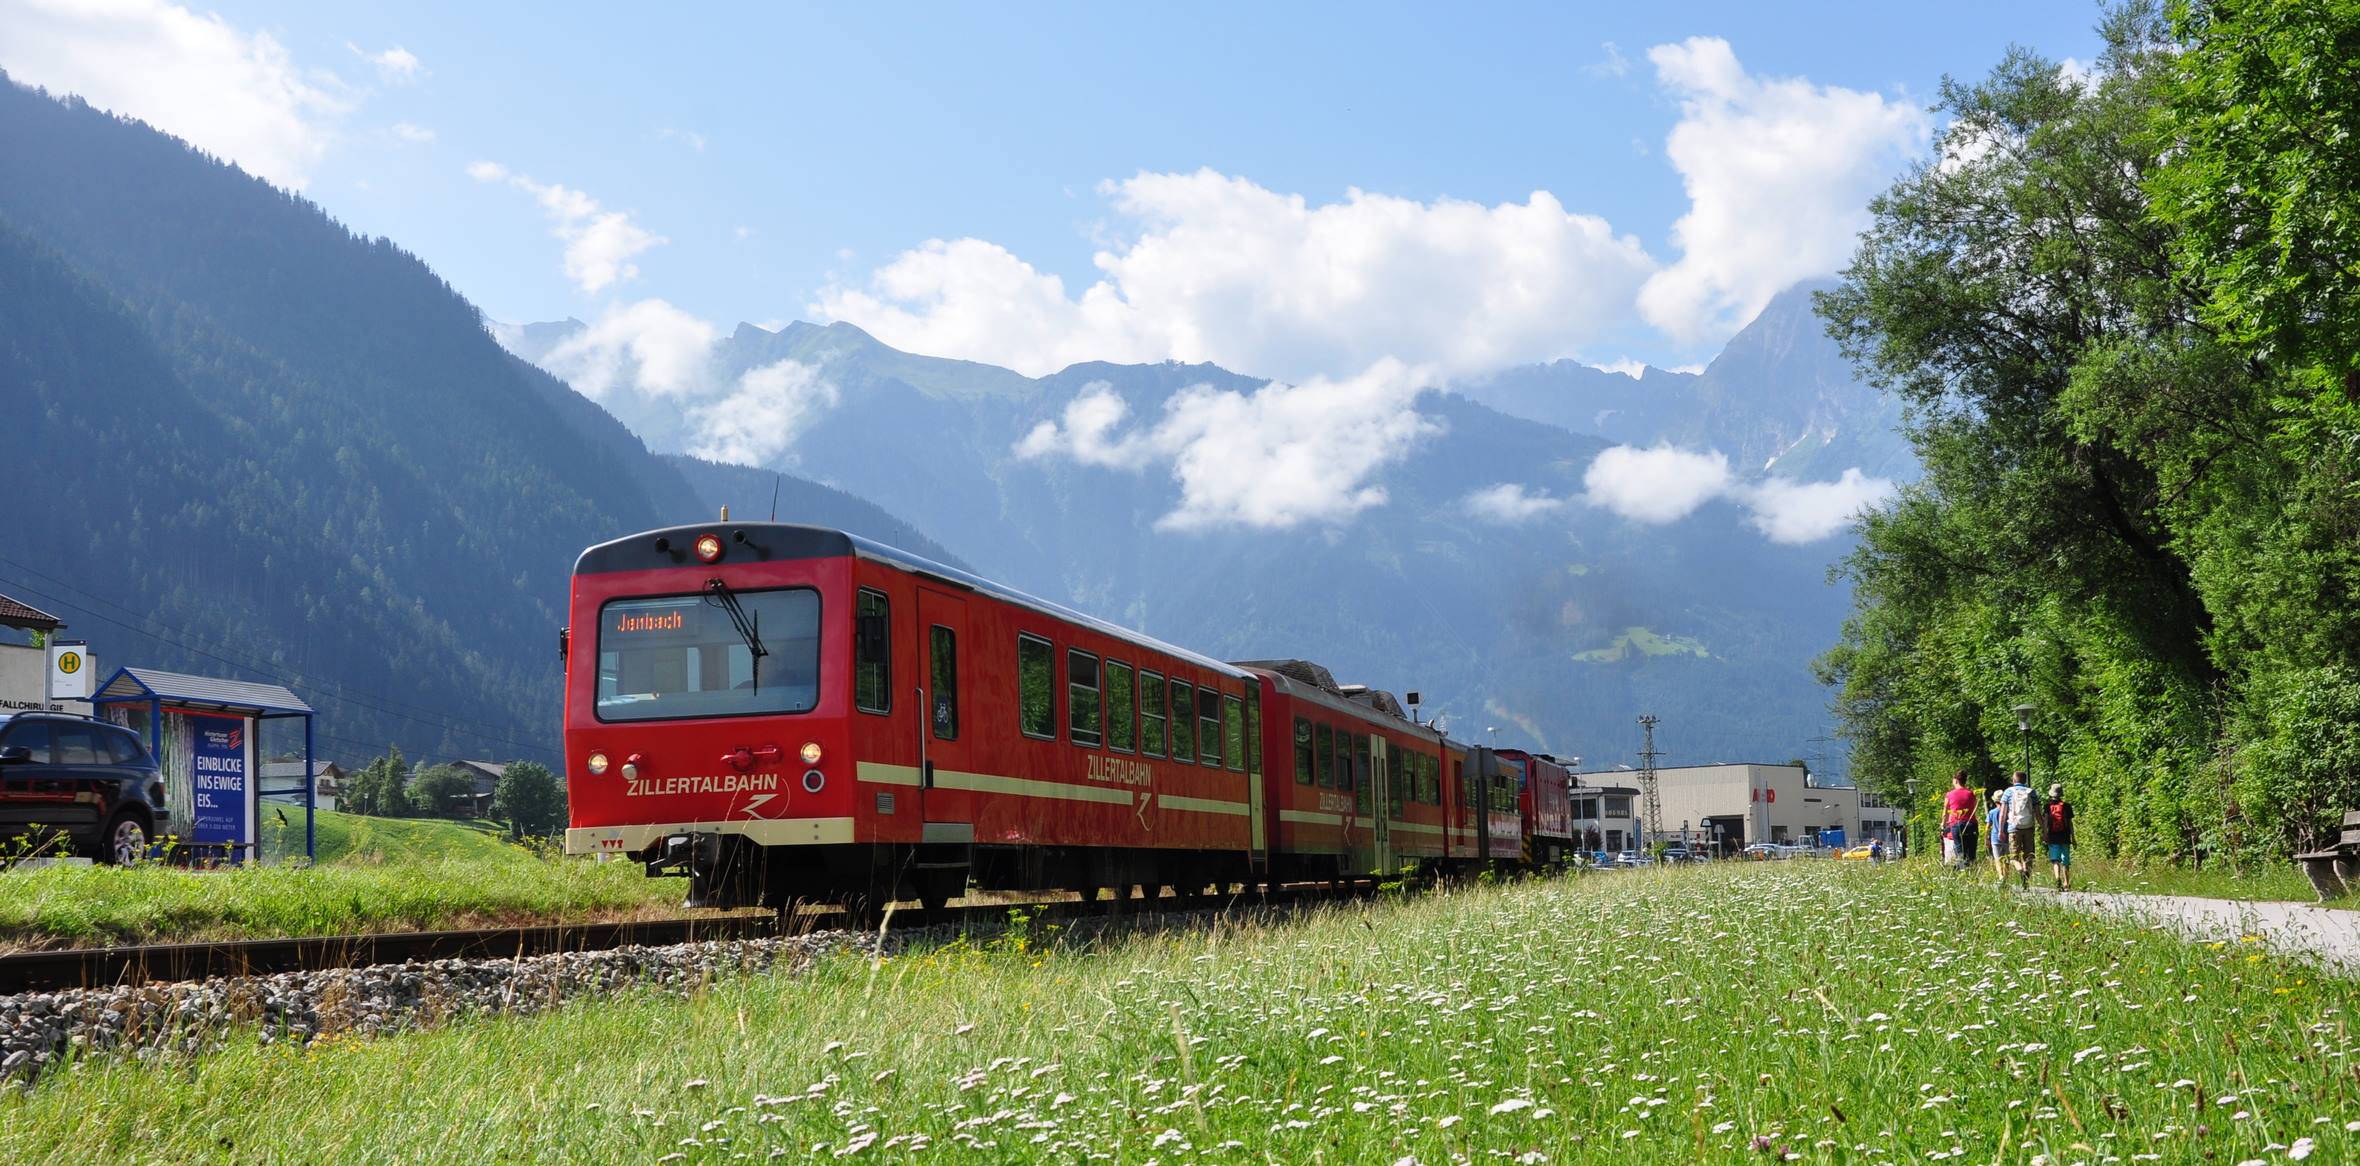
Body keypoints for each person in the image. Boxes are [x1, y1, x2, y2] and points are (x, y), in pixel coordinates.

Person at [1997, 771, 2042, 890]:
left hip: (2014, 828)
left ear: (2013, 780)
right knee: (2029, 856)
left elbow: (2002, 813)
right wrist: (2044, 829)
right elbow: (2038, 813)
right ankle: (2026, 880)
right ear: (2025, 780)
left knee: (2013, 857)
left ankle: (2020, 870)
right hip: (2029, 827)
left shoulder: (2008, 792)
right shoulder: (2031, 792)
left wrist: (2001, 830)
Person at [1941, 771, 1978, 870]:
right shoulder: (1971, 793)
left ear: (1956, 781)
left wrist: (1943, 825)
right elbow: (1974, 808)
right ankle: (1972, 871)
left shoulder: (1949, 794)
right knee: (1971, 851)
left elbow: (1945, 812)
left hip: (1957, 824)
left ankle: (1962, 871)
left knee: (1960, 851)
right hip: (1971, 824)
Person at [2043, 783, 2075, 891]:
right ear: (2061, 794)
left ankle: (2057, 879)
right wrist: (2073, 837)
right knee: (2065, 861)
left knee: (2055, 860)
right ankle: (2066, 882)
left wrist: (2045, 835)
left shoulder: (2047, 806)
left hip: (2053, 837)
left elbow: (2046, 822)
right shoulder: (2067, 806)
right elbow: (2070, 823)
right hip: (2065, 837)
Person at [1987, 790, 2009, 885]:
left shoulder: (1992, 812)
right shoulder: (2008, 811)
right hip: (2007, 837)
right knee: (2007, 859)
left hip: (1995, 838)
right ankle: (2006, 878)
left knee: (1997, 859)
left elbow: (1988, 826)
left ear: (1995, 801)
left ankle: (2001, 877)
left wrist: (1986, 838)